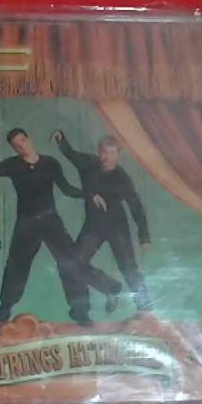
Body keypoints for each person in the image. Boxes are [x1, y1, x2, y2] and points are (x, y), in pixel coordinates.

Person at [0, 128, 122, 328]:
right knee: (16, 265)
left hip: (50, 221)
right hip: (26, 223)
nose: (21, 146)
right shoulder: (11, 165)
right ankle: (5, 307)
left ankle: (86, 308)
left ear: (29, 139)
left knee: (71, 263)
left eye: (22, 141)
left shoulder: (50, 163)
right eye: (16, 145)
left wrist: (90, 195)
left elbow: (67, 188)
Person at [51, 130, 153, 312]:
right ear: (99, 152)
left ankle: (145, 307)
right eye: (104, 152)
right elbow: (71, 154)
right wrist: (61, 138)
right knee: (72, 263)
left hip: (116, 226)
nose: (107, 157)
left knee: (128, 267)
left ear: (118, 155)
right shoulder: (88, 164)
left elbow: (136, 207)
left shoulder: (123, 179)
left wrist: (144, 237)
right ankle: (110, 288)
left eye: (112, 153)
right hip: (94, 226)